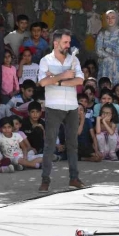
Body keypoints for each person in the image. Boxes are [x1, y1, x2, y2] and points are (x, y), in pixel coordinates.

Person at [36, 29, 86, 192]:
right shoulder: (45, 60)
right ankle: (45, 180)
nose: (68, 45)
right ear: (55, 43)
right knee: (50, 144)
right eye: (65, 42)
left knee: (72, 144)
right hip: (53, 107)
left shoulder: (74, 59)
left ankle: (74, 178)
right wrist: (63, 75)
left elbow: (79, 80)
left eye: (69, 42)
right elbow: (42, 82)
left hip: (71, 106)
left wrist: (56, 81)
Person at [96, 10, 119, 87]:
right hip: (106, 66)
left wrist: (106, 49)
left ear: (116, 19)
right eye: (107, 18)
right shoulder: (102, 34)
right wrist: (110, 51)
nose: (110, 20)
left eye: (113, 18)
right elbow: (98, 51)